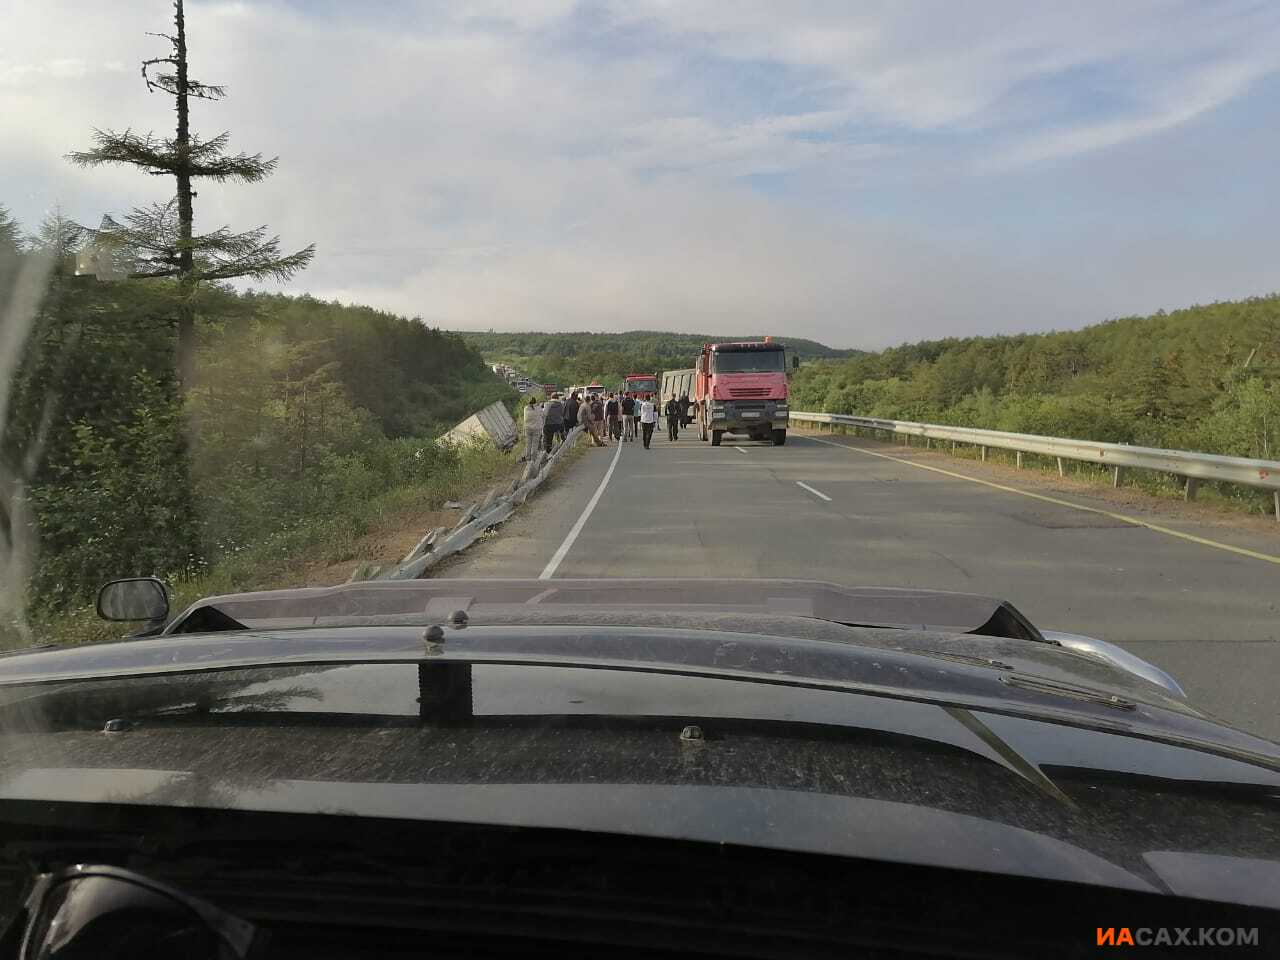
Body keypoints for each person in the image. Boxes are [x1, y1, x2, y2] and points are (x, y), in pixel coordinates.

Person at [522, 395, 543, 462]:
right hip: (536, 429)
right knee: (535, 443)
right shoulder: (538, 408)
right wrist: (538, 405)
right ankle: (533, 459)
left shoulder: (525, 408)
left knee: (528, 443)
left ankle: (528, 458)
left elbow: (532, 407)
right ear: (535, 402)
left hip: (528, 429)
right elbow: (543, 414)